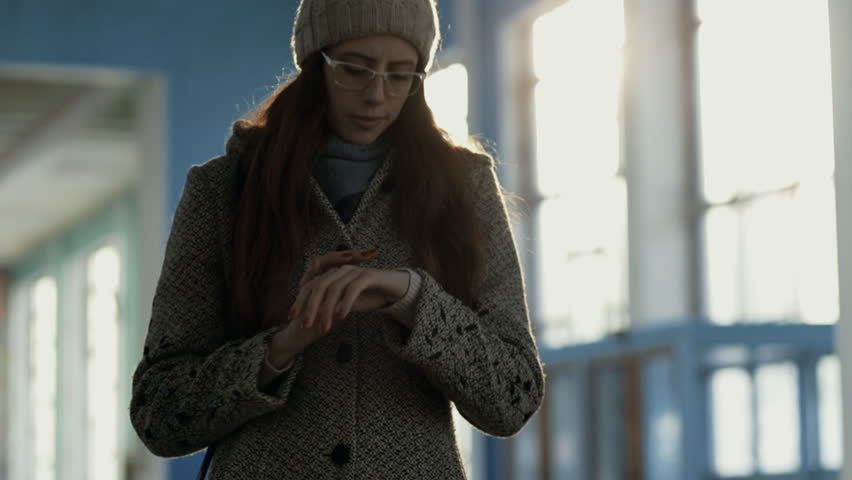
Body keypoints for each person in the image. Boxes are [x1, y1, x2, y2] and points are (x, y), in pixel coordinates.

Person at [129, 0, 545, 477]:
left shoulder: (463, 187)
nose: (377, 95)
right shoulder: (225, 191)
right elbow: (158, 416)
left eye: (401, 74)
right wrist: (280, 348)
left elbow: (514, 398)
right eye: (356, 69)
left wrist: (412, 297)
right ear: (315, 64)